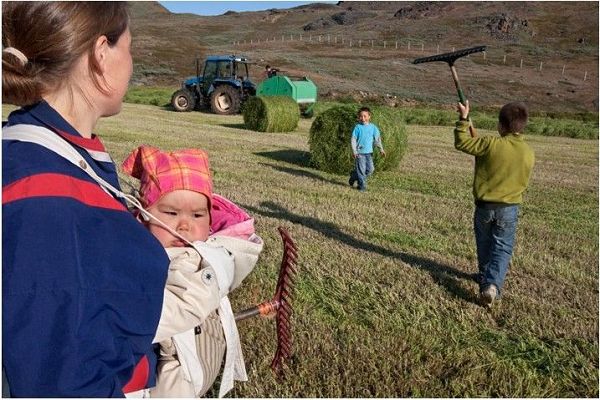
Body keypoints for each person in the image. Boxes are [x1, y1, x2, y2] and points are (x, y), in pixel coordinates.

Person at [2, 2, 170, 396]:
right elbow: (60, 378)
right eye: (129, 47)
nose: (130, 62)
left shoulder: (37, 151)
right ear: (100, 53)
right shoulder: (49, 197)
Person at [122, 145, 264, 398]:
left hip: (182, 364)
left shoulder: (203, 259)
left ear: (211, 219)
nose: (185, 225)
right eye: (171, 213)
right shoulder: (135, 243)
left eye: (197, 215)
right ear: (143, 214)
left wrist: (107, 322)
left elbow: (183, 304)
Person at [454, 100, 535, 307]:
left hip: (484, 207)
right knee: (502, 247)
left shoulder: (490, 143)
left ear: (500, 125)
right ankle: (491, 285)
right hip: (509, 208)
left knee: (484, 244)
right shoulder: (528, 151)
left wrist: (463, 119)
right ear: (522, 125)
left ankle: (485, 279)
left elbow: (462, 143)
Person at [348, 106, 386, 192]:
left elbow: (377, 139)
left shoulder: (373, 127)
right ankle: (361, 186)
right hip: (359, 153)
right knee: (361, 171)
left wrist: (381, 149)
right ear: (359, 117)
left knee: (370, 170)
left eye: (365, 116)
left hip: (369, 153)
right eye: (361, 116)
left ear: (369, 116)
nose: (363, 118)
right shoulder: (357, 127)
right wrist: (354, 151)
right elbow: (353, 139)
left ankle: (354, 176)